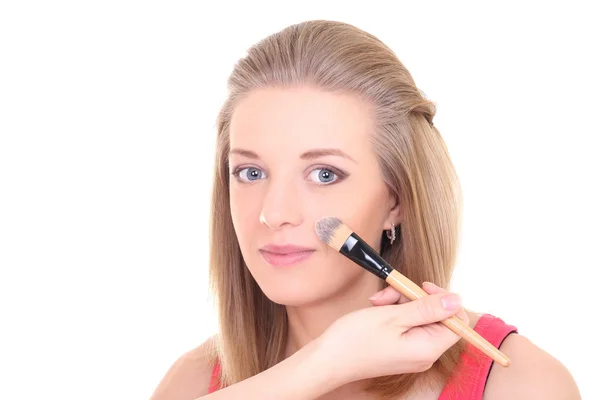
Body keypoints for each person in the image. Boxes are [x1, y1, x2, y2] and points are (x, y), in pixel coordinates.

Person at [150, 20, 580, 399]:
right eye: (250, 173)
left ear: (398, 200)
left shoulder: (519, 385)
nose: (274, 213)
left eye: (324, 174)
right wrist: (320, 367)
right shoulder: (189, 384)